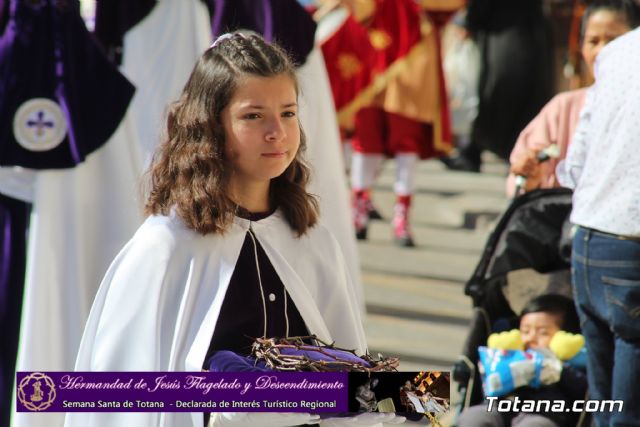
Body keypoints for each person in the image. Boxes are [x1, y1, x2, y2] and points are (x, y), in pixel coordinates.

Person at [64, 32, 368, 427]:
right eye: (253, 116)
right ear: (211, 126)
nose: (277, 132)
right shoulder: (166, 248)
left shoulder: (311, 239)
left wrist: (395, 399)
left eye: (289, 113)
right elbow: (121, 398)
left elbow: (358, 387)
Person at [556, 26, 640, 427]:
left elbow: (575, 162)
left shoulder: (617, 51)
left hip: (589, 239)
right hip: (629, 244)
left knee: (605, 408)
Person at [506, 0, 640, 197]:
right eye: (593, 41)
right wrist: (531, 180)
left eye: (613, 41)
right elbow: (520, 180)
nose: (602, 51)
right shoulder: (563, 109)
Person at [457, 294, 588, 427]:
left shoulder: (569, 361)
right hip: (497, 406)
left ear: (565, 337)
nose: (531, 338)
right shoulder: (508, 354)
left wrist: (556, 368)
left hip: (543, 412)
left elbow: (583, 388)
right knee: (473, 417)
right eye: (525, 331)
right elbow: (487, 385)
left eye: (543, 333)